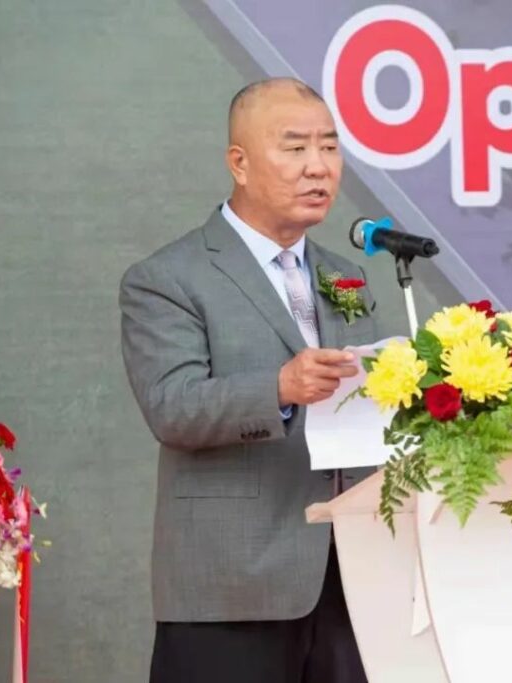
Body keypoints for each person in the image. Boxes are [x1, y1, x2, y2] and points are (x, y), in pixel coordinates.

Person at [119, 78, 382, 683]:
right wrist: (280, 388)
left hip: (351, 581)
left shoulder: (345, 275)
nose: (318, 167)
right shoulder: (168, 278)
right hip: (231, 585)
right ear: (238, 163)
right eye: (295, 148)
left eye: (330, 147)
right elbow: (171, 406)